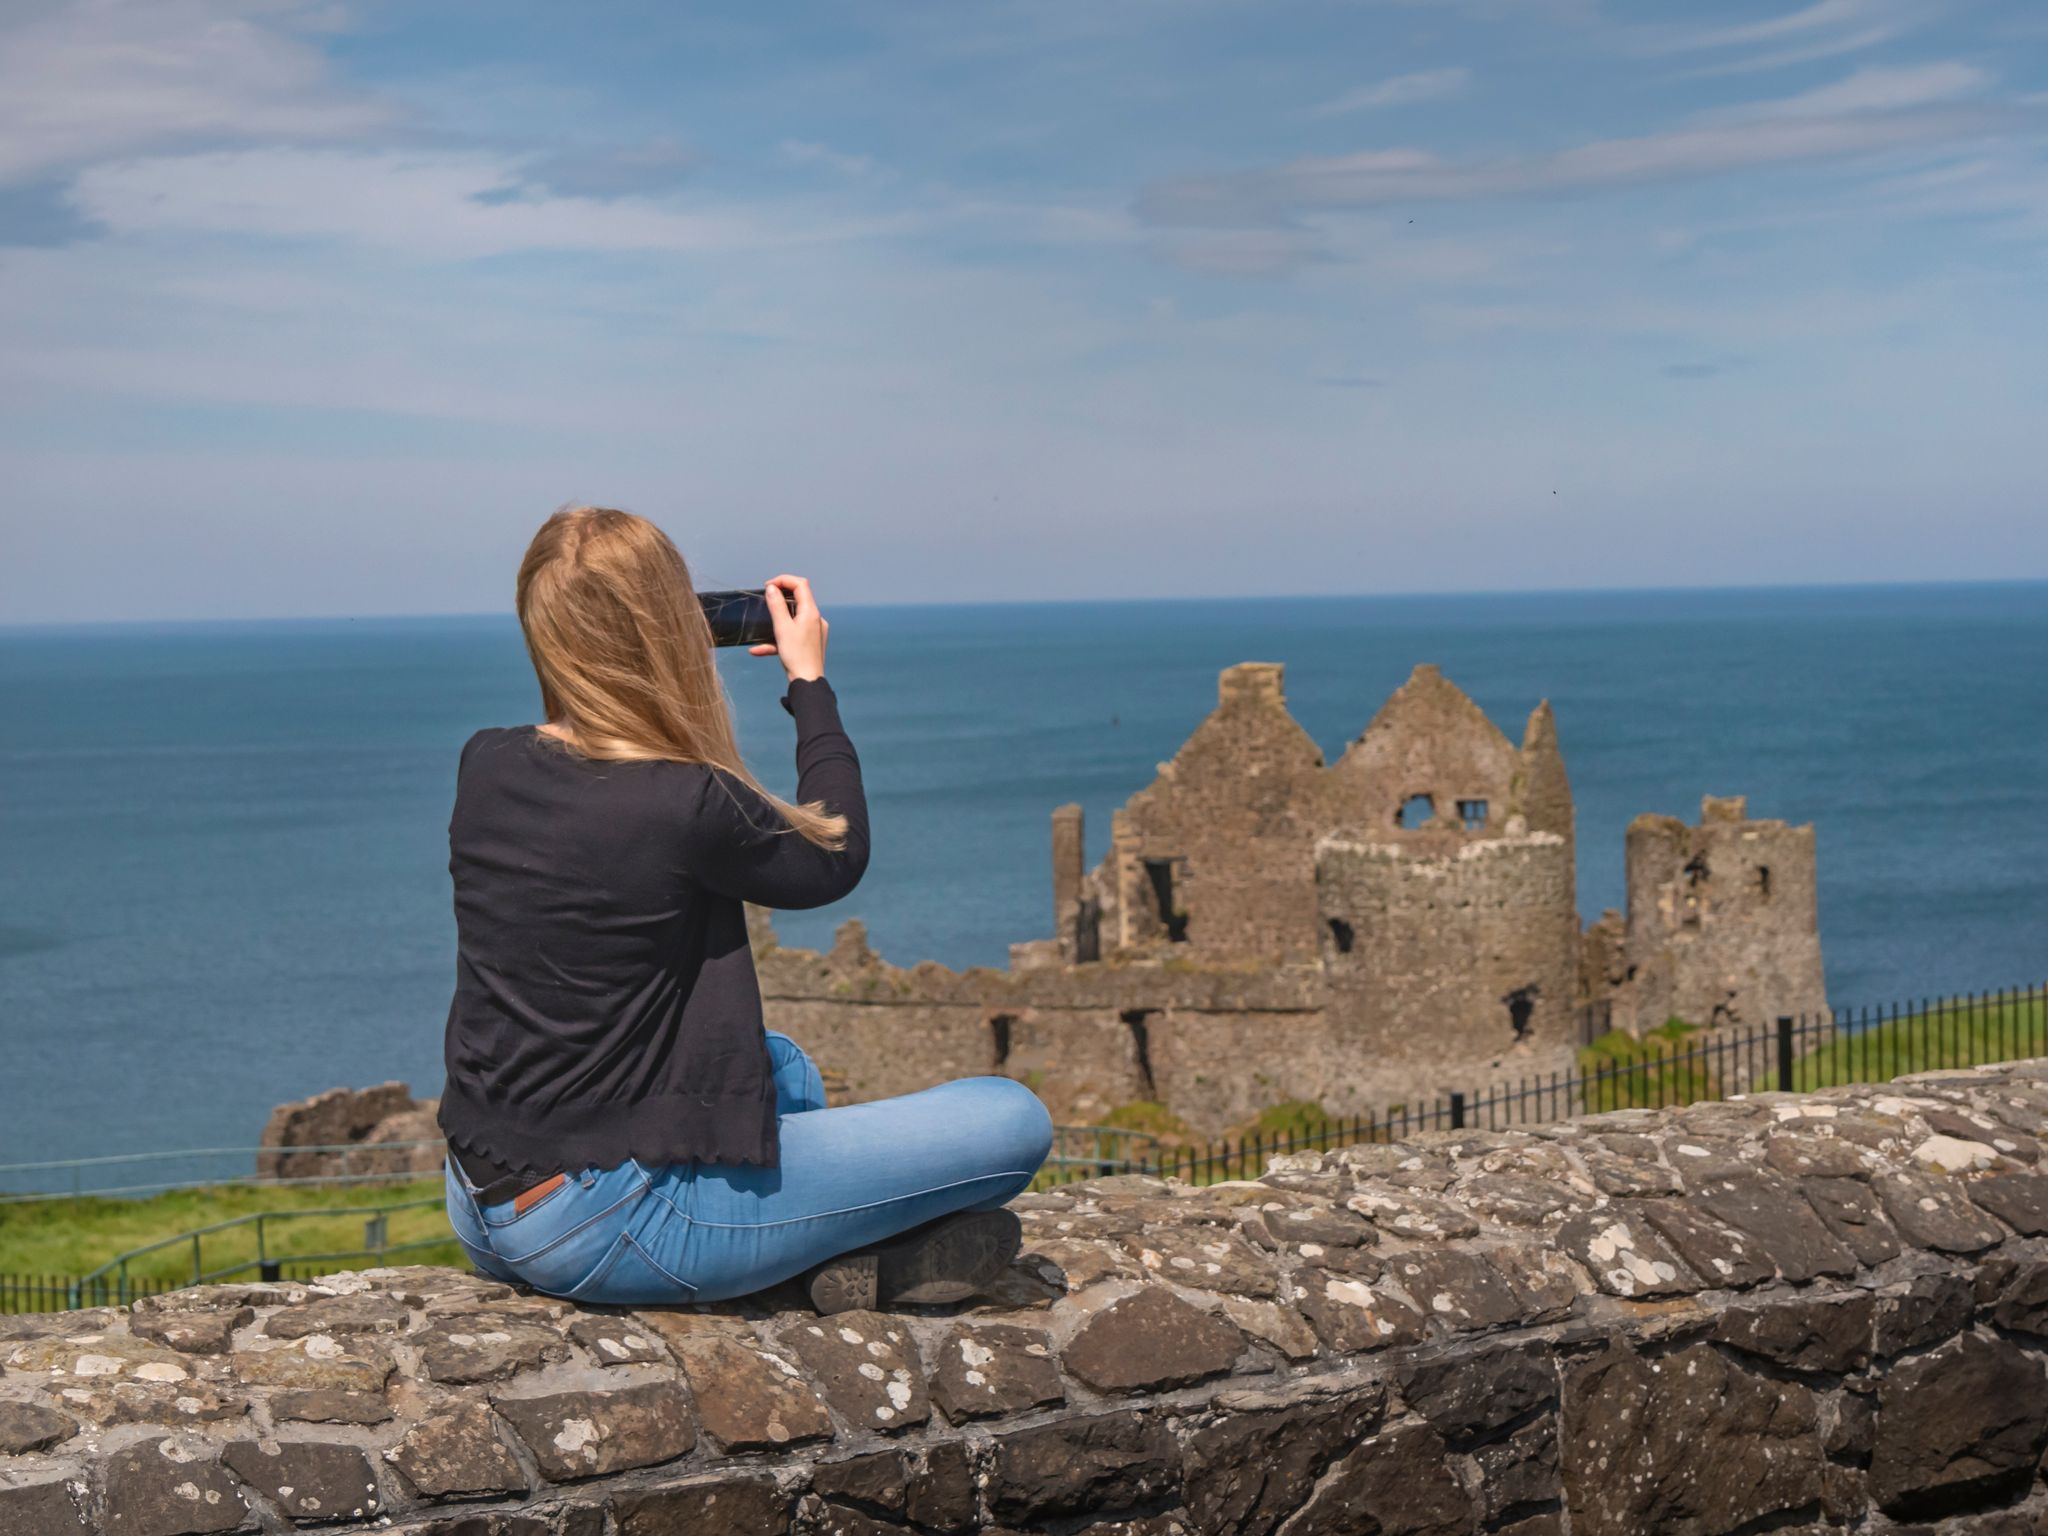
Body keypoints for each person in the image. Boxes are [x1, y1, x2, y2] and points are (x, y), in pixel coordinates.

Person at [438, 505, 1053, 1312]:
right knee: (1013, 1120)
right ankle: (812, 1252)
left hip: (483, 1199)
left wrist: (631, 622)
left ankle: (800, 1247)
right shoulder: (683, 801)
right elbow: (834, 853)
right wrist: (808, 683)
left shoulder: (487, 760)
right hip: (604, 1222)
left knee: (782, 1065)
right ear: (665, 628)